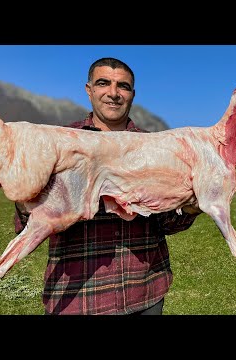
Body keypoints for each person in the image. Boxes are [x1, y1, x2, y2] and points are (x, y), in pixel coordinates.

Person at [14, 57, 202, 315]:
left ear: (132, 94)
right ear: (89, 89)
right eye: (103, 83)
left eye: (123, 86)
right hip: (78, 298)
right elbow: (26, 225)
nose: (113, 93)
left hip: (145, 292)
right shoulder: (58, 144)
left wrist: (191, 207)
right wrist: (26, 197)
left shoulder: (156, 148)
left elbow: (165, 222)